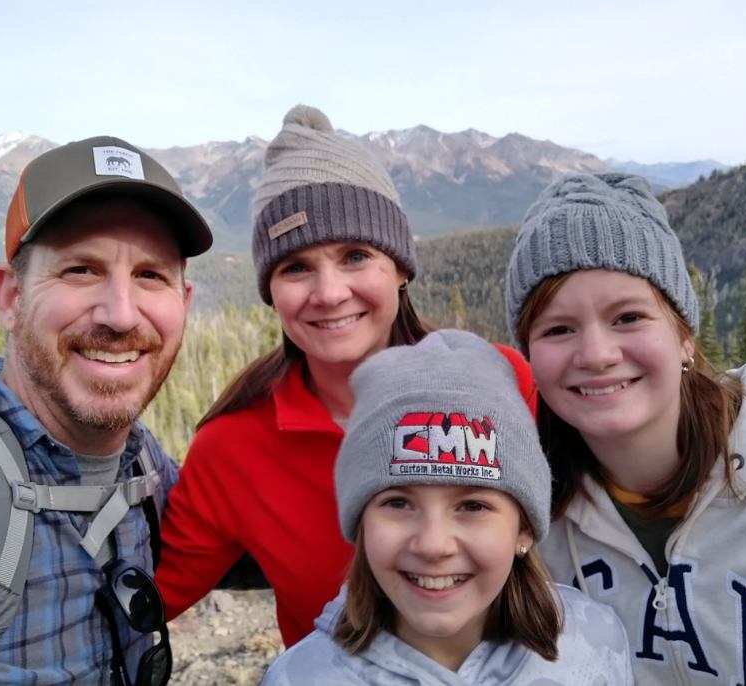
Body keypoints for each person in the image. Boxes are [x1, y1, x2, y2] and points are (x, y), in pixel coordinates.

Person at [155, 105, 537, 648]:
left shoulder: (502, 385)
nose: (329, 292)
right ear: (270, 290)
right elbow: (148, 599)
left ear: (401, 267)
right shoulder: (234, 448)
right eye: (296, 267)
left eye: (355, 256)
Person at [0, 136, 212, 685]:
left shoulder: (143, 465)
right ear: (11, 297)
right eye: (79, 270)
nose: (119, 314)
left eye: (150, 275)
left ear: (183, 304)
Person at [505, 172, 746, 685]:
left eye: (627, 317)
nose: (597, 355)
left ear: (684, 335)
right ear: (529, 354)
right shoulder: (530, 522)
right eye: (558, 329)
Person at [262, 329, 633, 684]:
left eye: (472, 506)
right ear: (361, 522)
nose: (433, 544)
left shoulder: (593, 644)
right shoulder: (300, 677)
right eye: (397, 503)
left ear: (523, 528)